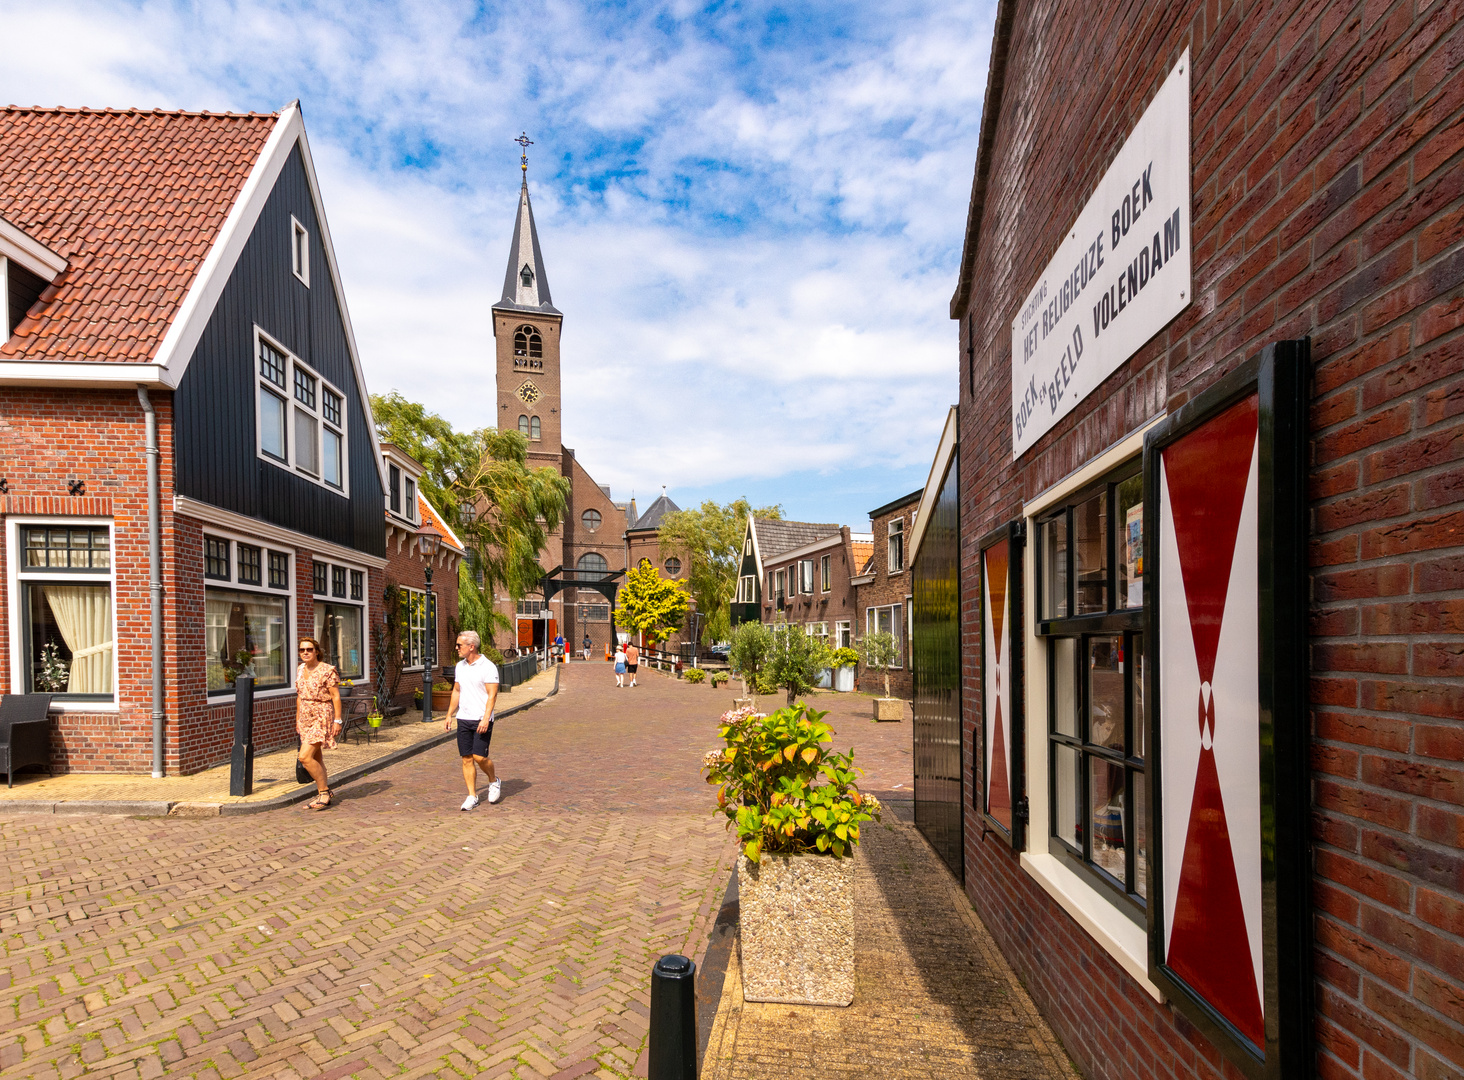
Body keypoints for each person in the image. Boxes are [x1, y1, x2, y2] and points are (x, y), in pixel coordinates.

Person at [444, 630, 501, 811]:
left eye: (459, 645)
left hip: (481, 719)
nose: (456, 648)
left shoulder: (488, 667)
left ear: (471, 646)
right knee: (466, 758)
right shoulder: (460, 666)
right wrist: (449, 715)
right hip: (464, 718)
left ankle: (494, 780)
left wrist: (486, 718)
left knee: (479, 757)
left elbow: (492, 695)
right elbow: (457, 691)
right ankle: (472, 796)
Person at [295, 637, 342, 811]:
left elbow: (336, 696)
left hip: (322, 714)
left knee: (304, 757)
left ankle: (324, 792)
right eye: (302, 650)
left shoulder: (327, 670)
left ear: (316, 651)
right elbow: (300, 696)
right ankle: (323, 793)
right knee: (316, 757)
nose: (305, 653)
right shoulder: (300, 669)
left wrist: (337, 720)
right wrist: (298, 719)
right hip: (306, 716)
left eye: (309, 649)